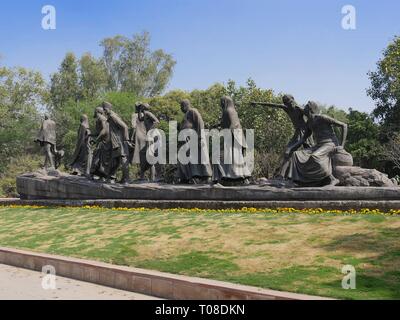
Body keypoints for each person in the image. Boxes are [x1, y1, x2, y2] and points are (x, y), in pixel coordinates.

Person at [286, 101, 348, 187]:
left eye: (306, 107)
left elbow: (344, 125)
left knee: (315, 156)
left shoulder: (322, 117)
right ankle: (297, 181)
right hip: (318, 145)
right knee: (296, 154)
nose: (304, 109)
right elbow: (303, 139)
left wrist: (341, 145)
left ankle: (332, 179)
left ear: (310, 109)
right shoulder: (309, 123)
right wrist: (291, 148)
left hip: (330, 144)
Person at [252, 94, 313, 178]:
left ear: (293, 100)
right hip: (297, 132)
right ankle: (282, 174)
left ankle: (313, 172)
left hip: (305, 132)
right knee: (288, 151)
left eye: (291, 102)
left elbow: (311, 115)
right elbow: (272, 105)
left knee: (310, 150)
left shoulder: (298, 109)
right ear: (286, 104)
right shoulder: (286, 108)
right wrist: (257, 103)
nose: (290, 104)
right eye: (288, 103)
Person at [212, 96, 251, 184]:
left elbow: (233, 125)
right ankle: (238, 177)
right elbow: (226, 122)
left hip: (233, 138)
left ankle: (219, 179)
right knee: (234, 159)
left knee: (218, 156)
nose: (221, 104)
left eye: (222, 101)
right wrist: (218, 125)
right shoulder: (230, 111)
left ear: (226, 102)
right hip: (232, 139)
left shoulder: (229, 111)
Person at [176, 99, 212, 184]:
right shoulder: (186, 114)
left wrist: (200, 137)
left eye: (181, 106)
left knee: (200, 158)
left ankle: (205, 176)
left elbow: (200, 123)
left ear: (185, 105)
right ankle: (187, 177)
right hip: (187, 141)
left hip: (195, 138)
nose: (181, 108)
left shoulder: (192, 111)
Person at [102, 102, 131, 184]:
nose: (104, 111)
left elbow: (125, 126)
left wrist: (126, 140)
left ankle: (126, 179)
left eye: (105, 109)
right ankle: (114, 178)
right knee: (115, 160)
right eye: (103, 109)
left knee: (123, 159)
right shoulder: (110, 117)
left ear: (109, 109)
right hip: (115, 142)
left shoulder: (112, 116)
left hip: (120, 142)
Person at [131, 102, 160, 181]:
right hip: (150, 136)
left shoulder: (148, 113)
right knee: (147, 156)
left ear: (143, 108)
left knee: (151, 157)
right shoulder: (144, 114)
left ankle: (154, 178)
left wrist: (151, 131)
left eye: (141, 108)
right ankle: (146, 177)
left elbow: (157, 121)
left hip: (153, 135)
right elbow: (140, 119)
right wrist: (139, 110)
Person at [90, 107, 111, 181]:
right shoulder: (99, 119)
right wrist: (90, 135)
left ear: (97, 111)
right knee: (100, 160)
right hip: (102, 141)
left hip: (105, 142)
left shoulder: (101, 118)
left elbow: (104, 130)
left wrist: (96, 139)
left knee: (97, 158)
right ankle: (101, 177)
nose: (94, 112)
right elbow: (98, 132)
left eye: (95, 111)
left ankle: (92, 175)